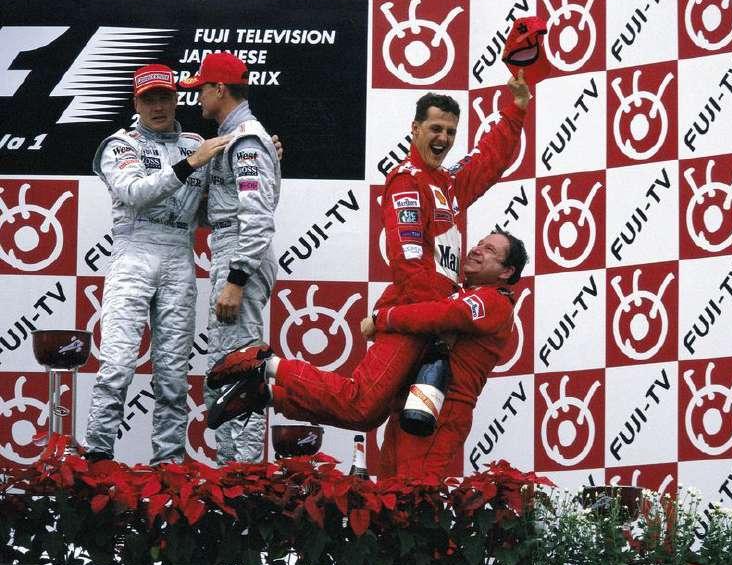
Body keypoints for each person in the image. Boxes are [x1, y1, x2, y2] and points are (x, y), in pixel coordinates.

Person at [203, 72, 531, 441]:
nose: (443, 138)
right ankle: (264, 364)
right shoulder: (408, 181)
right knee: (360, 402)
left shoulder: (447, 184)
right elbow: (408, 262)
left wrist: (516, 109)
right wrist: (429, 321)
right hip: (414, 314)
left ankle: (269, 393)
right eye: (435, 128)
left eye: (451, 132)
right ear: (415, 129)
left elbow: (489, 160)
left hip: (429, 316)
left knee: (369, 414)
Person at [208, 231, 527, 479]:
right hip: (415, 402)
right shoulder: (457, 290)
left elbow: (441, 315)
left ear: (507, 271)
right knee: (396, 483)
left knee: (407, 492)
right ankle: (268, 378)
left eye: (490, 250)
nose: (477, 249)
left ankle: (266, 379)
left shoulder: (495, 301)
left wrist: (383, 319)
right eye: (479, 243)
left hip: (443, 409)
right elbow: (425, 304)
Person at [84, 64, 229, 464]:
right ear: (136, 103)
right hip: (134, 252)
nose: (158, 106)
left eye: (164, 97)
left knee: (172, 376)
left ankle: (169, 467)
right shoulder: (120, 144)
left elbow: (215, 208)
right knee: (117, 365)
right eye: (149, 99)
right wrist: (191, 164)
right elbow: (135, 192)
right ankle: (97, 460)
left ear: (177, 98)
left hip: (180, 255)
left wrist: (267, 158)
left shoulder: (195, 143)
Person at [179, 51, 281, 465]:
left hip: (241, 253)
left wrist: (236, 279)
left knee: (239, 372)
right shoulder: (237, 137)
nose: (197, 97)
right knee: (227, 370)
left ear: (220, 89)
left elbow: (257, 217)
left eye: (201, 88)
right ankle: (233, 473)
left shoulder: (246, 140)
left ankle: (244, 479)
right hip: (233, 247)